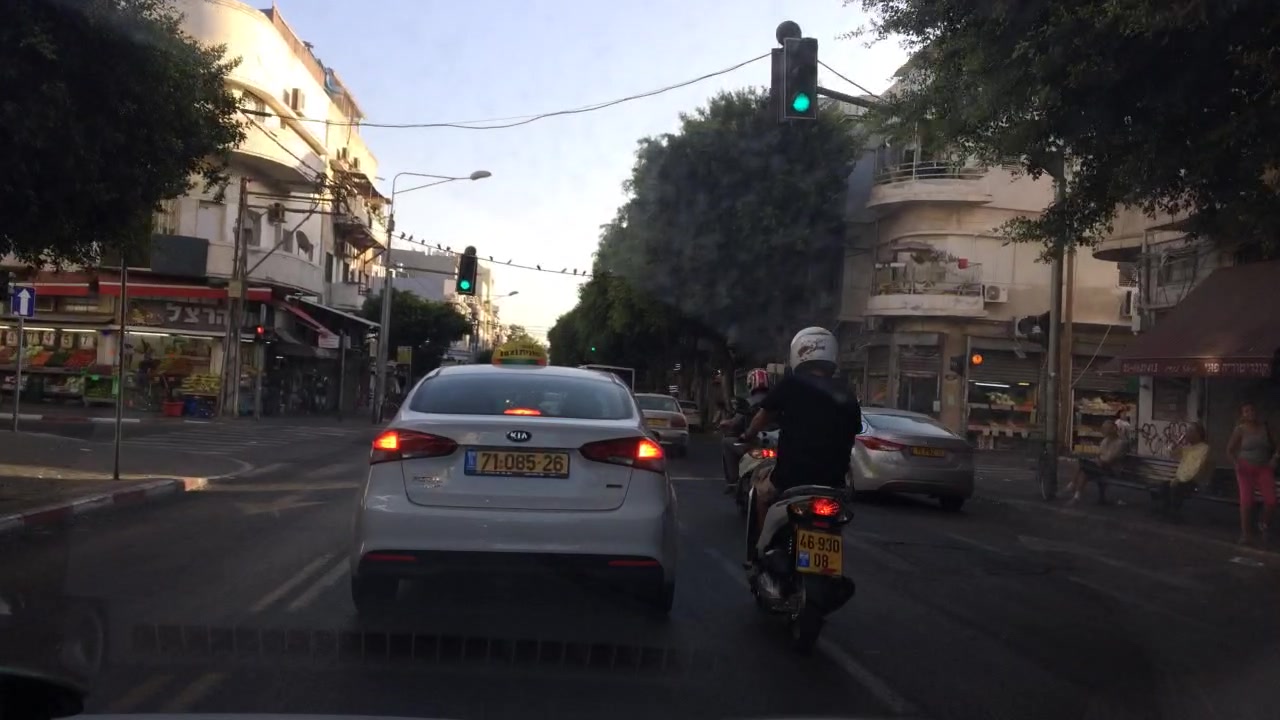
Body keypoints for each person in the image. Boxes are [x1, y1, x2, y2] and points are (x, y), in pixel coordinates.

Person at [739, 327, 862, 597]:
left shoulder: (792, 385)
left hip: (791, 479)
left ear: (798, 353)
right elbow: (855, 430)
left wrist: (747, 435)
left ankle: (760, 551)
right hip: (833, 484)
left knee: (760, 491)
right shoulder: (846, 392)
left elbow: (763, 416)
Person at [1226, 401, 1278, 545]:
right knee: (1246, 500)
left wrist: (1275, 458)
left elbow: (1278, 444)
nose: (1250, 413)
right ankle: (1245, 533)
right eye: (1246, 411)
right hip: (1245, 467)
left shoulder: (1265, 428)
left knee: (1271, 500)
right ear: (1243, 415)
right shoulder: (1240, 430)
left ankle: (1264, 524)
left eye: (1252, 410)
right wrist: (1236, 463)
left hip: (1264, 467)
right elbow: (1229, 450)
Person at [720, 369, 772, 494]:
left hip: (752, 444)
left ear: (750, 384)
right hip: (777, 444)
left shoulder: (747, 403)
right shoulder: (776, 400)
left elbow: (735, 423)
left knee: (726, 442)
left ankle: (732, 482)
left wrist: (724, 423)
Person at [1154, 421, 1210, 520]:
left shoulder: (1204, 449)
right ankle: (1165, 513)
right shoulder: (1188, 448)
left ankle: (1173, 514)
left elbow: (1196, 469)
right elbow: (1172, 454)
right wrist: (1176, 444)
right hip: (1181, 480)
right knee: (1164, 486)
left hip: (1193, 481)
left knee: (1176, 489)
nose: (1187, 433)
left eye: (1190, 431)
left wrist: (1180, 480)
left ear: (1198, 434)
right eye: (1187, 431)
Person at [1065, 419, 1127, 504]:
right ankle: (1076, 496)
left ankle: (1072, 487)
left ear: (1113, 429)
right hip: (1101, 467)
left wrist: (1100, 461)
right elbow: (1099, 455)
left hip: (1112, 469)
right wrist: (1098, 460)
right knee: (1085, 470)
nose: (1104, 431)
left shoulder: (1120, 443)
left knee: (1083, 465)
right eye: (1103, 429)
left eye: (1106, 429)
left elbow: (1111, 459)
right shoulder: (1105, 441)